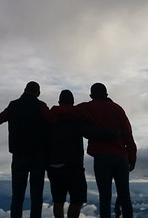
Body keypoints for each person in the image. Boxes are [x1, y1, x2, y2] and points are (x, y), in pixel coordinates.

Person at [59, 83, 137, 218]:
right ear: (106, 94)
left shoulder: (88, 108)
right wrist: (132, 157)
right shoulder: (118, 109)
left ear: (91, 95)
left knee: (105, 196)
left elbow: (67, 110)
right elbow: (128, 134)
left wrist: (47, 111)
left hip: (102, 158)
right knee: (125, 196)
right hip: (121, 157)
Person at [0, 81, 50, 218]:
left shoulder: (13, 105)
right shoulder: (41, 106)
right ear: (38, 93)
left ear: (24, 90)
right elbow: (52, 121)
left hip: (19, 155)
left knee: (17, 194)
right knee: (37, 194)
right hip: (38, 155)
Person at [46, 90, 87, 218]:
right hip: (73, 164)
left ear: (59, 102)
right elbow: (89, 132)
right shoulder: (77, 117)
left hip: (53, 165)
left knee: (58, 200)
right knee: (77, 199)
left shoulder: (49, 117)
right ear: (72, 103)